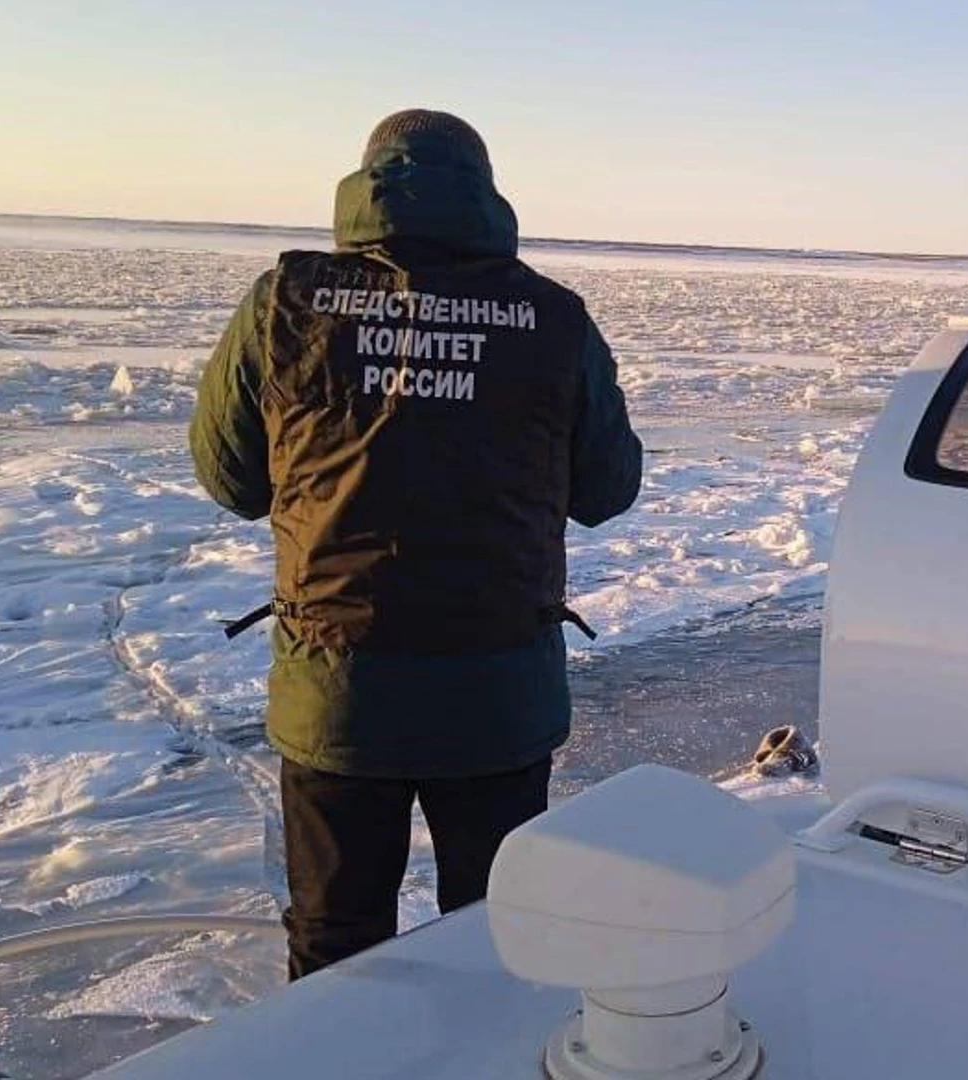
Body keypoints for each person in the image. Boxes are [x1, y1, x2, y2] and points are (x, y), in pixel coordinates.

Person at [189, 109, 642, 979]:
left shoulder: (285, 304)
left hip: (338, 691)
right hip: (499, 696)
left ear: (366, 188)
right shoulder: (550, 318)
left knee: (335, 946)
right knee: (501, 931)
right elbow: (609, 490)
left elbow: (230, 479)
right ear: (484, 192)